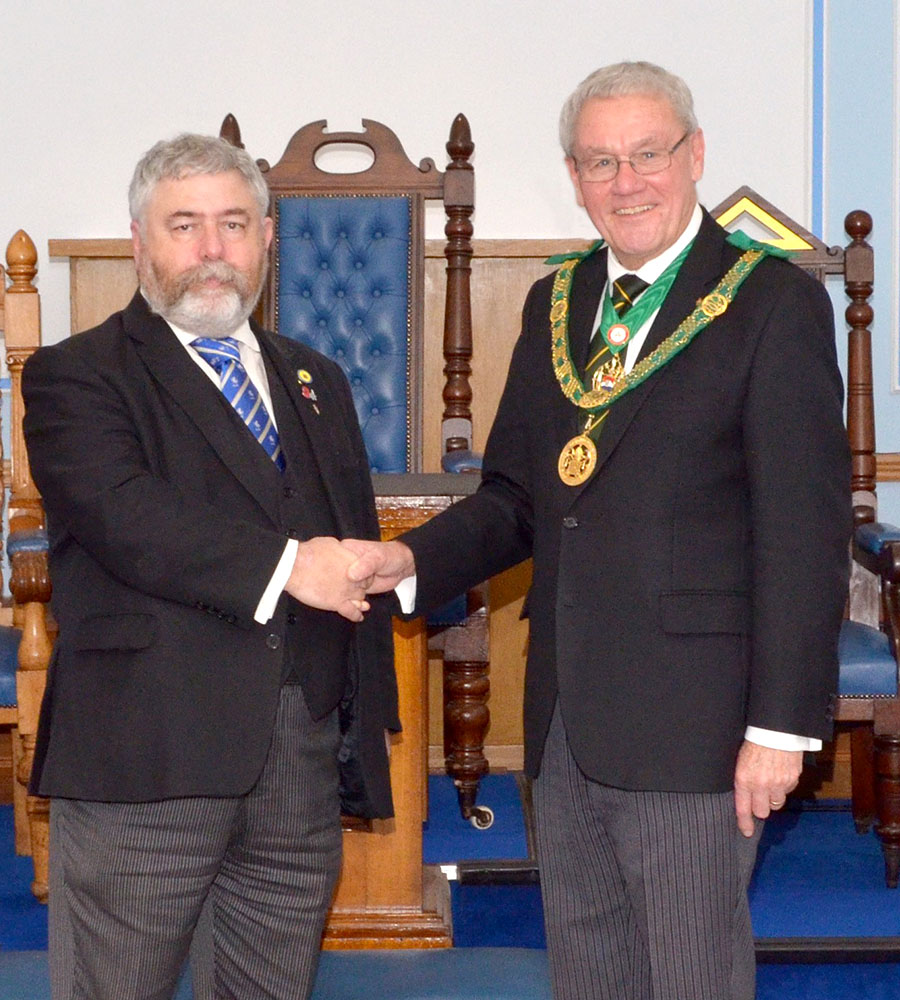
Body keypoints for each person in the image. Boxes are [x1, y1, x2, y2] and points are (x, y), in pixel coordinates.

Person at [344, 61, 851, 1000]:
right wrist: (406, 559)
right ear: (574, 177)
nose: (627, 182)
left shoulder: (771, 304)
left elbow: (802, 533)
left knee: (692, 976)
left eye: (648, 155)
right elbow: (517, 500)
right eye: (600, 162)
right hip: (564, 719)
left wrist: (780, 725)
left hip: (697, 723)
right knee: (590, 976)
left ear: (694, 156)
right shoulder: (556, 303)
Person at [22, 133, 398, 1000]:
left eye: (234, 223)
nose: (212, 249)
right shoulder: (78, 376)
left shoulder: (318, 378)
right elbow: (126, 517)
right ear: (138, 241)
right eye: (184, 225)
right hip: (146, 760)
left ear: (269, 237)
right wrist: (290, 566)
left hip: (295, 767)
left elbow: (347, 537)